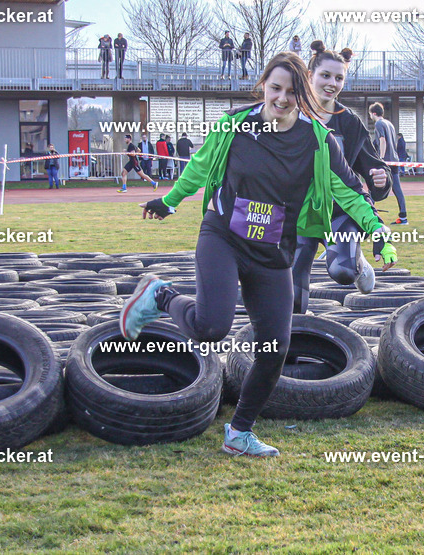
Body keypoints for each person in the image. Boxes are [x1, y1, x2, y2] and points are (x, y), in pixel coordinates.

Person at [121, 51, 392, 458]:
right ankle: (160, 295)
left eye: (290, 91)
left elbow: (349, 191)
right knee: (212, 326)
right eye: (275, 87)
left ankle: (239, 433)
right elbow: (200, 165)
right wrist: (171, 200)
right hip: (223, 237)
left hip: (272, 253)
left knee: (274, 348)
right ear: (263, 85)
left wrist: (378, 232)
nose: (281, 98)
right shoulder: (235, 125)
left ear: (302, 94)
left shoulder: (318, 140)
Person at [291, 41, 396, 314]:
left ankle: (357, 260)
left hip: (338, 212)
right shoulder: (289, 114)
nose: (332, 83)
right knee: (291, 284)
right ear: (309, 76)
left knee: (343, 273)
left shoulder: (349, 121)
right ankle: (295, 329)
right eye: (325, 75)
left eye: (339, 78)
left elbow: (372, 167)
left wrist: (381, 179)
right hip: (296, 215)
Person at [369, 102, 407, 224]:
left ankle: (370, 214)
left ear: (373, 113)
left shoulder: (379, 123)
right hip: (394, 160)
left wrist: (381, 158)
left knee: (373, 185)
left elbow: (382, 140)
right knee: (397, 189)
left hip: (386, 159)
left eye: (370, 114)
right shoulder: (389, 124)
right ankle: (403, 216)